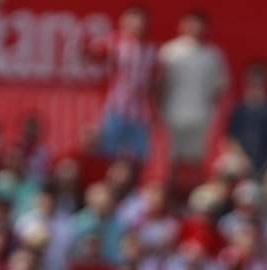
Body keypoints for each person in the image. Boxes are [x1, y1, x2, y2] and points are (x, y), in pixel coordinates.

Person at [158, 10, 229, 177]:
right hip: (172, 116)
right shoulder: (169, 52)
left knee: (198, 161)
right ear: (182, 26)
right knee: (171, 161)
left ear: (205, 27)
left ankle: (196, 191)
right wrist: (160, 113)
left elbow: (219, 90)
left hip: (202, 118)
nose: (195, 28)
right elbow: (159, 86)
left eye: (199, 24)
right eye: (190, 23)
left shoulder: (213, 55)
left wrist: (215, 115)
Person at [98, 6, 159, 161]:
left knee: (140, 158)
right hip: (116, 109)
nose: (137, 24)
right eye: (132, 20)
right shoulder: (113, 43)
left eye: (141, 20)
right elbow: (91, 50)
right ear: (123, 22)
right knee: (109, 155)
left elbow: (157, 83)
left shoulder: (152, 50)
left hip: (142, 113)